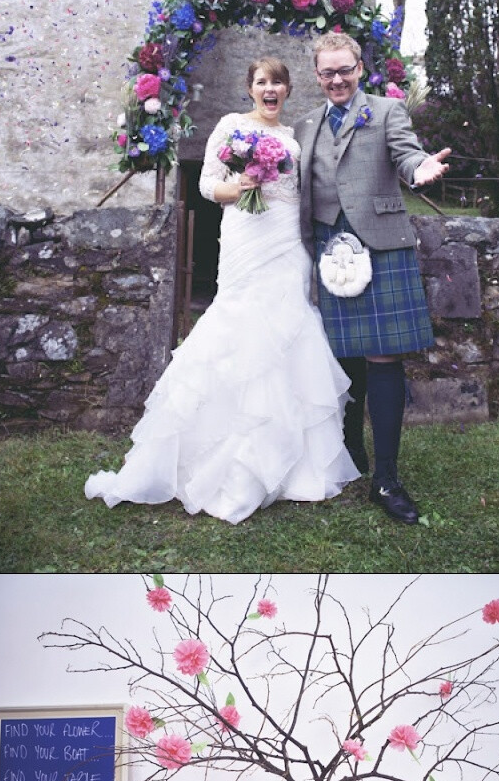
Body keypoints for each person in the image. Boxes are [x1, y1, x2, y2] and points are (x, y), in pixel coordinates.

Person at [85, 52, 357, 525]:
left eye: (277, 82)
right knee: (238, 329)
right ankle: (222, 459)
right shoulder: (231, 125)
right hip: (245, 238)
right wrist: (243, 182)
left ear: (288, 89)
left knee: (288, 329)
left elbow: (304, 193)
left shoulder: (293, 138)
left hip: (288, 244)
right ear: (249, 88)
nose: (269, 90)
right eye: (260, 82)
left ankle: (293, 464)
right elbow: (210, 185)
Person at [300, 26, 450, 521]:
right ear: (317, 75)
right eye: (328, 72)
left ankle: (386, 478)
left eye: (345, 69)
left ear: (359, 69)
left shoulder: (386, 111)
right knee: (343, 357)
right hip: (328, 247)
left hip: (380, 244)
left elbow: (406, 153)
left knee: (383, 355)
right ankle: (349, 453)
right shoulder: (305, 127)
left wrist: (418, 168)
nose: (337, 79)